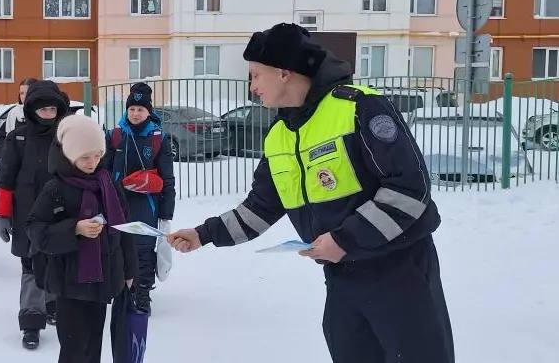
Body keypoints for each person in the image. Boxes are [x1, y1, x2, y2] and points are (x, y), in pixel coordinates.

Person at [167, 23, 453, 363]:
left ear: (284, 73)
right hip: (342, 280)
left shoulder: (360, 108)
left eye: (257, 75)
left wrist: (347, 239)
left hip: (399, 271)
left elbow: (409, 189)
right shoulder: (279, 136)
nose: (252, 86)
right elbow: (259, 209)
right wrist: (203, 234)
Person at [27, 114, 137, 363]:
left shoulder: (108, 183)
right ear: (69, 154)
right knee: (74, 350)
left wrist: (129, 271)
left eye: (97, 155)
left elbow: (126, 229)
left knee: (93, 348)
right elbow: (35, 228)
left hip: (103, 280)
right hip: (70, 283)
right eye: (85, 157)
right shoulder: (55, 188)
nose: (93, 162)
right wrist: (73, 229)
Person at [0, 80, 70, 350]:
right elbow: (5, 178)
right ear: (32, 110)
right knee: (30, 267)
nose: (48, 114)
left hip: (59, 215)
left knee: (55, 261)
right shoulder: (18, 138)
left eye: (52, 109)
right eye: (42, 109)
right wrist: (3, 214)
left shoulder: (66, 136)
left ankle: (52, 305)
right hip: (26, 215)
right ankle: (30, 322)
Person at [102, 82, 175, 315]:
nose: (135, 113)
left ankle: (142, 292)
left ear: (148, 111)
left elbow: (168, 179)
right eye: (132, 109)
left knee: (143, 250)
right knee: (117, 247)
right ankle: (122, 290)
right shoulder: (114, 136)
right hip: (117, 203)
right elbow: (102, 171)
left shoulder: (158, 139)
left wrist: (166, 213)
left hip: (146, 204)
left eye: (140, 109)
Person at [0, 78, 39, 154]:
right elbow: (3, 139)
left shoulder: (45, 112)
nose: (24, 96)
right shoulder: (13, 113)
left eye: (28, 92)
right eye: (22, 93)